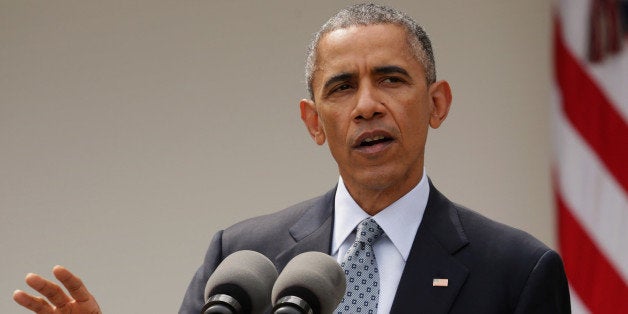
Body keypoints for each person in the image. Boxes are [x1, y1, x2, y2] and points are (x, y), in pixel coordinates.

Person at [13, 4, 570, 314]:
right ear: (313, 121)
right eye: (342, 87)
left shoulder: (517, 271)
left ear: (437, 103)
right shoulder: (242, 258)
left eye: (391, 80)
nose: (367, 106)